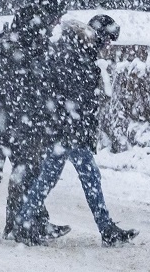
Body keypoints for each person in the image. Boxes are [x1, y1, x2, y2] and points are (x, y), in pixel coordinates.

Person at [13, 15, 138, 247]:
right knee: (89, 178)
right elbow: (73, 98)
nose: (108, 46)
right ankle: (106, 229)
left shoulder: (75, 51)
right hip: (69, 131)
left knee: (48, 179)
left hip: (63, 130)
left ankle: (23, 222)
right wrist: (77, 125)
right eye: (107, 40)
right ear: (98, 37)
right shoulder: (77, 56)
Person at [0, 0, 70, 243]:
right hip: (19, 120)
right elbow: (39, 84)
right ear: (45, 17)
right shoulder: (32, 43)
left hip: (4, 118)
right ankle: (20, 225)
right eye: (55, 18)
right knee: (25, 171)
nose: (57, 24)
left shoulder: (6, 39)